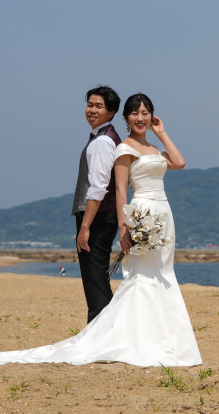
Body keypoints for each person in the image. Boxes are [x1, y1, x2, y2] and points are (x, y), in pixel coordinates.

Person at [0, 93, 202, 367]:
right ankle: (134, 339)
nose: (140, 117)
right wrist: (125, 227)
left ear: (152, 116)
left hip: (163, 217)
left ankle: (169, 339)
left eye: (146, 113)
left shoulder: (154, 149)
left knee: (163, 273)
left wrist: (162, 133)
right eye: (135, 113)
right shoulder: (124, 148)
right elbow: (121, 192)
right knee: (141, 276)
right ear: (125, 118)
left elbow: (179, 162)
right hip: (142, 214)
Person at [73, 86, 122, 323]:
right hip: (101, 216)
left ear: (111, 112)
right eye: (90, 105)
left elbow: (98, 188)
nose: (92, 110)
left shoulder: (103, 142)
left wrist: (85, 227)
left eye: (98, 106)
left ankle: (102, 334)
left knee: (95, 279)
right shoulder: (104, 138)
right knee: (96, 278)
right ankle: (102, 332)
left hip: (97, 217)